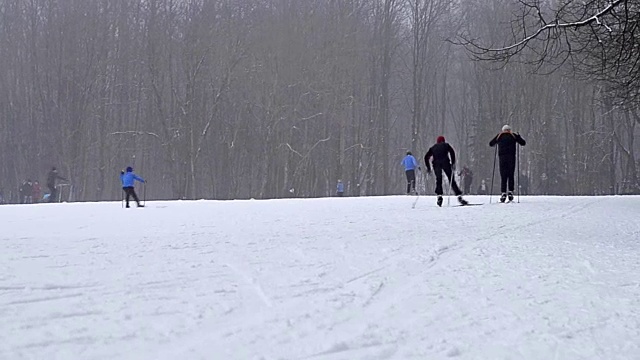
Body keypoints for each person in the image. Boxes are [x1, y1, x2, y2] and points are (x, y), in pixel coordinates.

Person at [424, 136, 468, 206]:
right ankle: (459, 196)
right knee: (451, 179)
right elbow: (452, 152)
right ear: (443, 141)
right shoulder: (446, 145)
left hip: (436, 164)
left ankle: (439, 196)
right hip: (445, 163)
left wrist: (428, 168)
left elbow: (426, 157)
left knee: (438, 180)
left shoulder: (433, 148)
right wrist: (453, 163)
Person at [489, 125, 526, 202]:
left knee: (503, 176)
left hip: (502, 159)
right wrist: (519, 137)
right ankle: (510, 191)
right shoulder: (513, 135)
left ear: (503, 130)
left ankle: (503, 192)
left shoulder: (499, 136)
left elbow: (491, 143)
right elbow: (523, 143)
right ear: (509, 130)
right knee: (511, 175)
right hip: (511, 158)